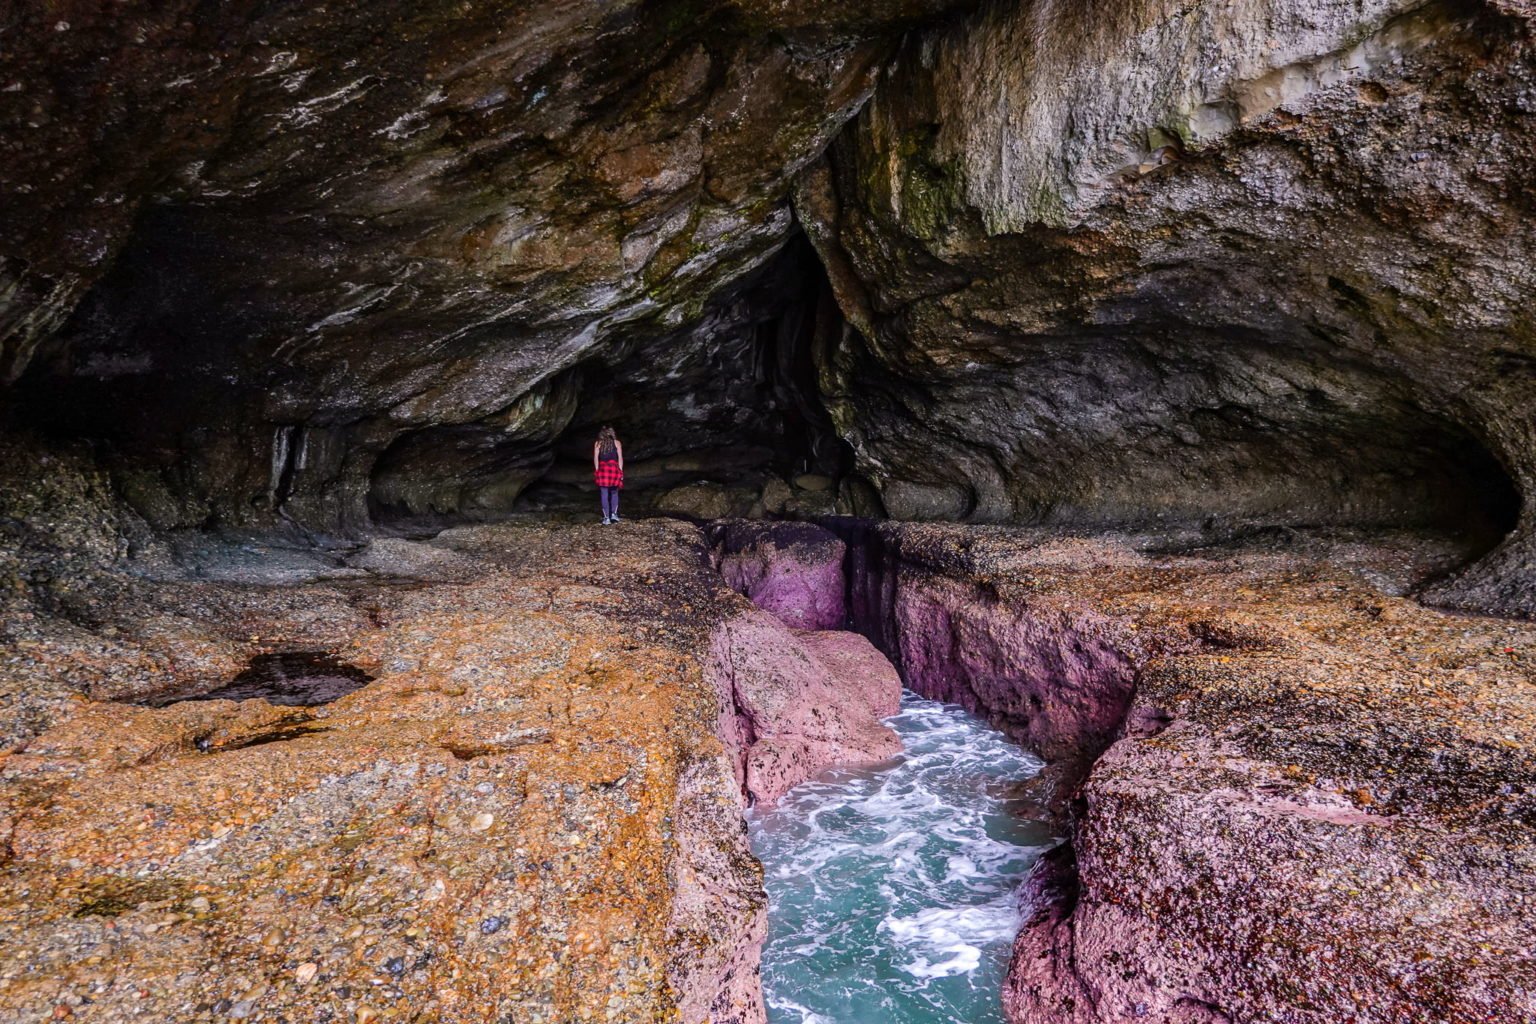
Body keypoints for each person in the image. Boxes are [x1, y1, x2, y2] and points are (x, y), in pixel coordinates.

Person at [593, 426, 624, 524]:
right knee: (614, 492)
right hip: (614, 469)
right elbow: (620, 458)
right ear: (612, 433)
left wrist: (597, 470)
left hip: (603, 470)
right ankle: (614, 515)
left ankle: (606, 518)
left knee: (604, 493)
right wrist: (621, 471)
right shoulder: (617, 443)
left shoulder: (598, 444)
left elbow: (596, 458)